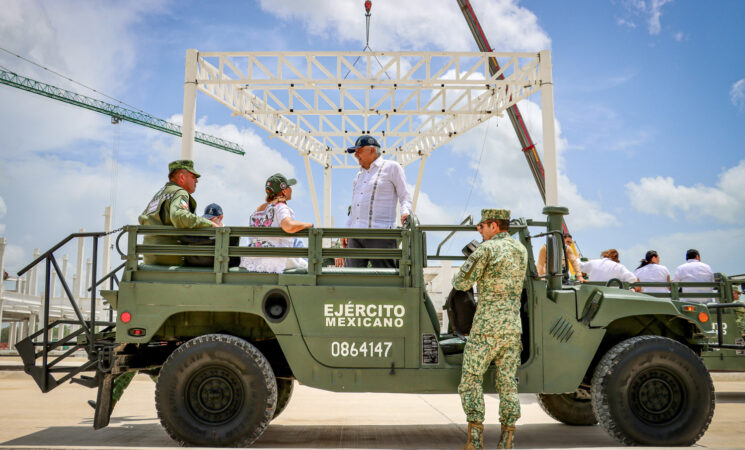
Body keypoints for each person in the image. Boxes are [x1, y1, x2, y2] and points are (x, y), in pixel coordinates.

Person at [452, 209, 527, 449]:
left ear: (494, 226)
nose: (479, 229)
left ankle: (475, 442)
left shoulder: (486, 249)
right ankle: (507, 441)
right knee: (507, 383)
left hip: (486, 328)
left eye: (482, 225)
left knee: (470, 380)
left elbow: (460, 283)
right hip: (513, 328)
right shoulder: (521, 250)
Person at [336, 135, 412, 269]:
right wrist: (346, 231)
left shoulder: (392, 167)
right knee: (350, 277)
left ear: (371, 150)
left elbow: (405, 195)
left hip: (381, 234)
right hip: (356, 235)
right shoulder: (359, 176)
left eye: (359, 151)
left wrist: (405, 212)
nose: (356, 155)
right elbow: (355, 208)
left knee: (385, 277)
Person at [138, 160, 216, 265]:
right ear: (182, 177)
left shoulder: (159, 194)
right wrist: (209, 223)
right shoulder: (180, 192)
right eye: (193, 177)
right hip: (171, 255)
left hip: (149, 256)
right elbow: (179, 216)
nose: (196, 181)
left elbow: (142, 218)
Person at [240, 173, 313, 273]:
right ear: (284, 191)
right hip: (277, 260)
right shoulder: (280, 207)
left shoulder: (257, 211)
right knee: (307, 265)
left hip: (254, 260)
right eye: (289, 187)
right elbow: (288, 226)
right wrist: (309, 225)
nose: (291, 189)